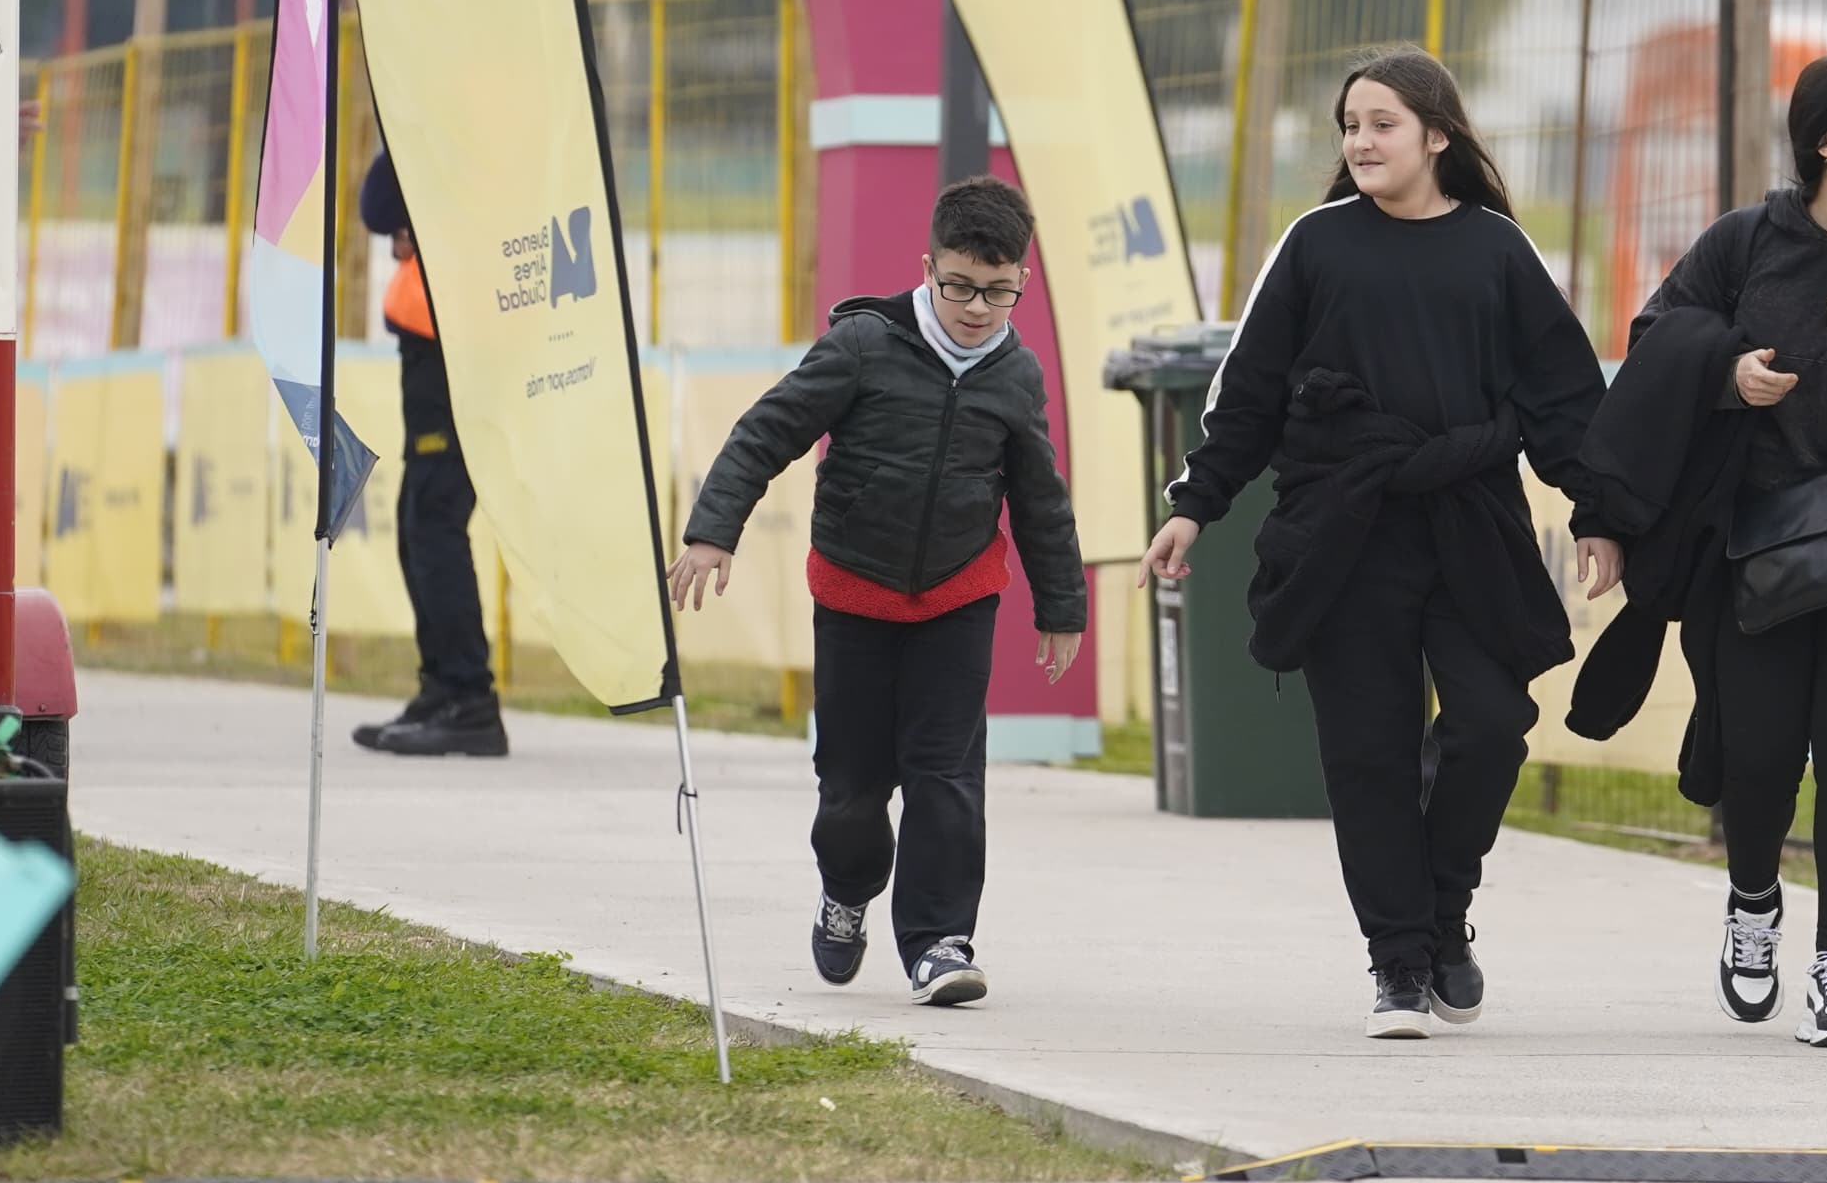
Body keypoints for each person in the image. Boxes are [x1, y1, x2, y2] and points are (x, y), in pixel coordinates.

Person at [1143, 51, 1621, 1041]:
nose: (1359, 141)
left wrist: (1599, 509)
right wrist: (1195, 501)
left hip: (1470, 521)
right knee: (1366, 758)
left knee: (1491, 723)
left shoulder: (1496, 249)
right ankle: (1399, 965)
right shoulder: (1314, 245)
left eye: (1381, 123)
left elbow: (1564, 397)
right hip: (1342, 527)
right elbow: (1250, 394)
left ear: (1436, 135)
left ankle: (1443, 909)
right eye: (1348, 124)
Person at [1603, 54, 1827, 1046]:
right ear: (1823, 142)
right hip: (1755, 533)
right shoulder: (1744, 242)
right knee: (1759, 751)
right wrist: (1727, 373)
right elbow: (1652, 335)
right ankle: (1752, 900)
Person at [664, 176, 1086, 1006]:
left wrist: (1061, 603)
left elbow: (1041, 497)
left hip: (960, 597)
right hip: (856, 593)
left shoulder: (1016, 373)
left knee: (947, 776)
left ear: (1020, 285)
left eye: (999, 292)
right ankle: (847, 890)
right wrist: (715, 528)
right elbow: (766, 432)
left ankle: (939, 941)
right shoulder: (862, 346)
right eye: (960, 285)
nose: (977, 307)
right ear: (928, 266)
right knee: (853, 789)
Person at [351, 147, 503, 759]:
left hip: (453, 390)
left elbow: (378, 214)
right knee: (418, 534)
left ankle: (470, 699)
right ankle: (443, 687)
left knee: (435, 531)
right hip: (431, 392)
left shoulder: (458, 247)